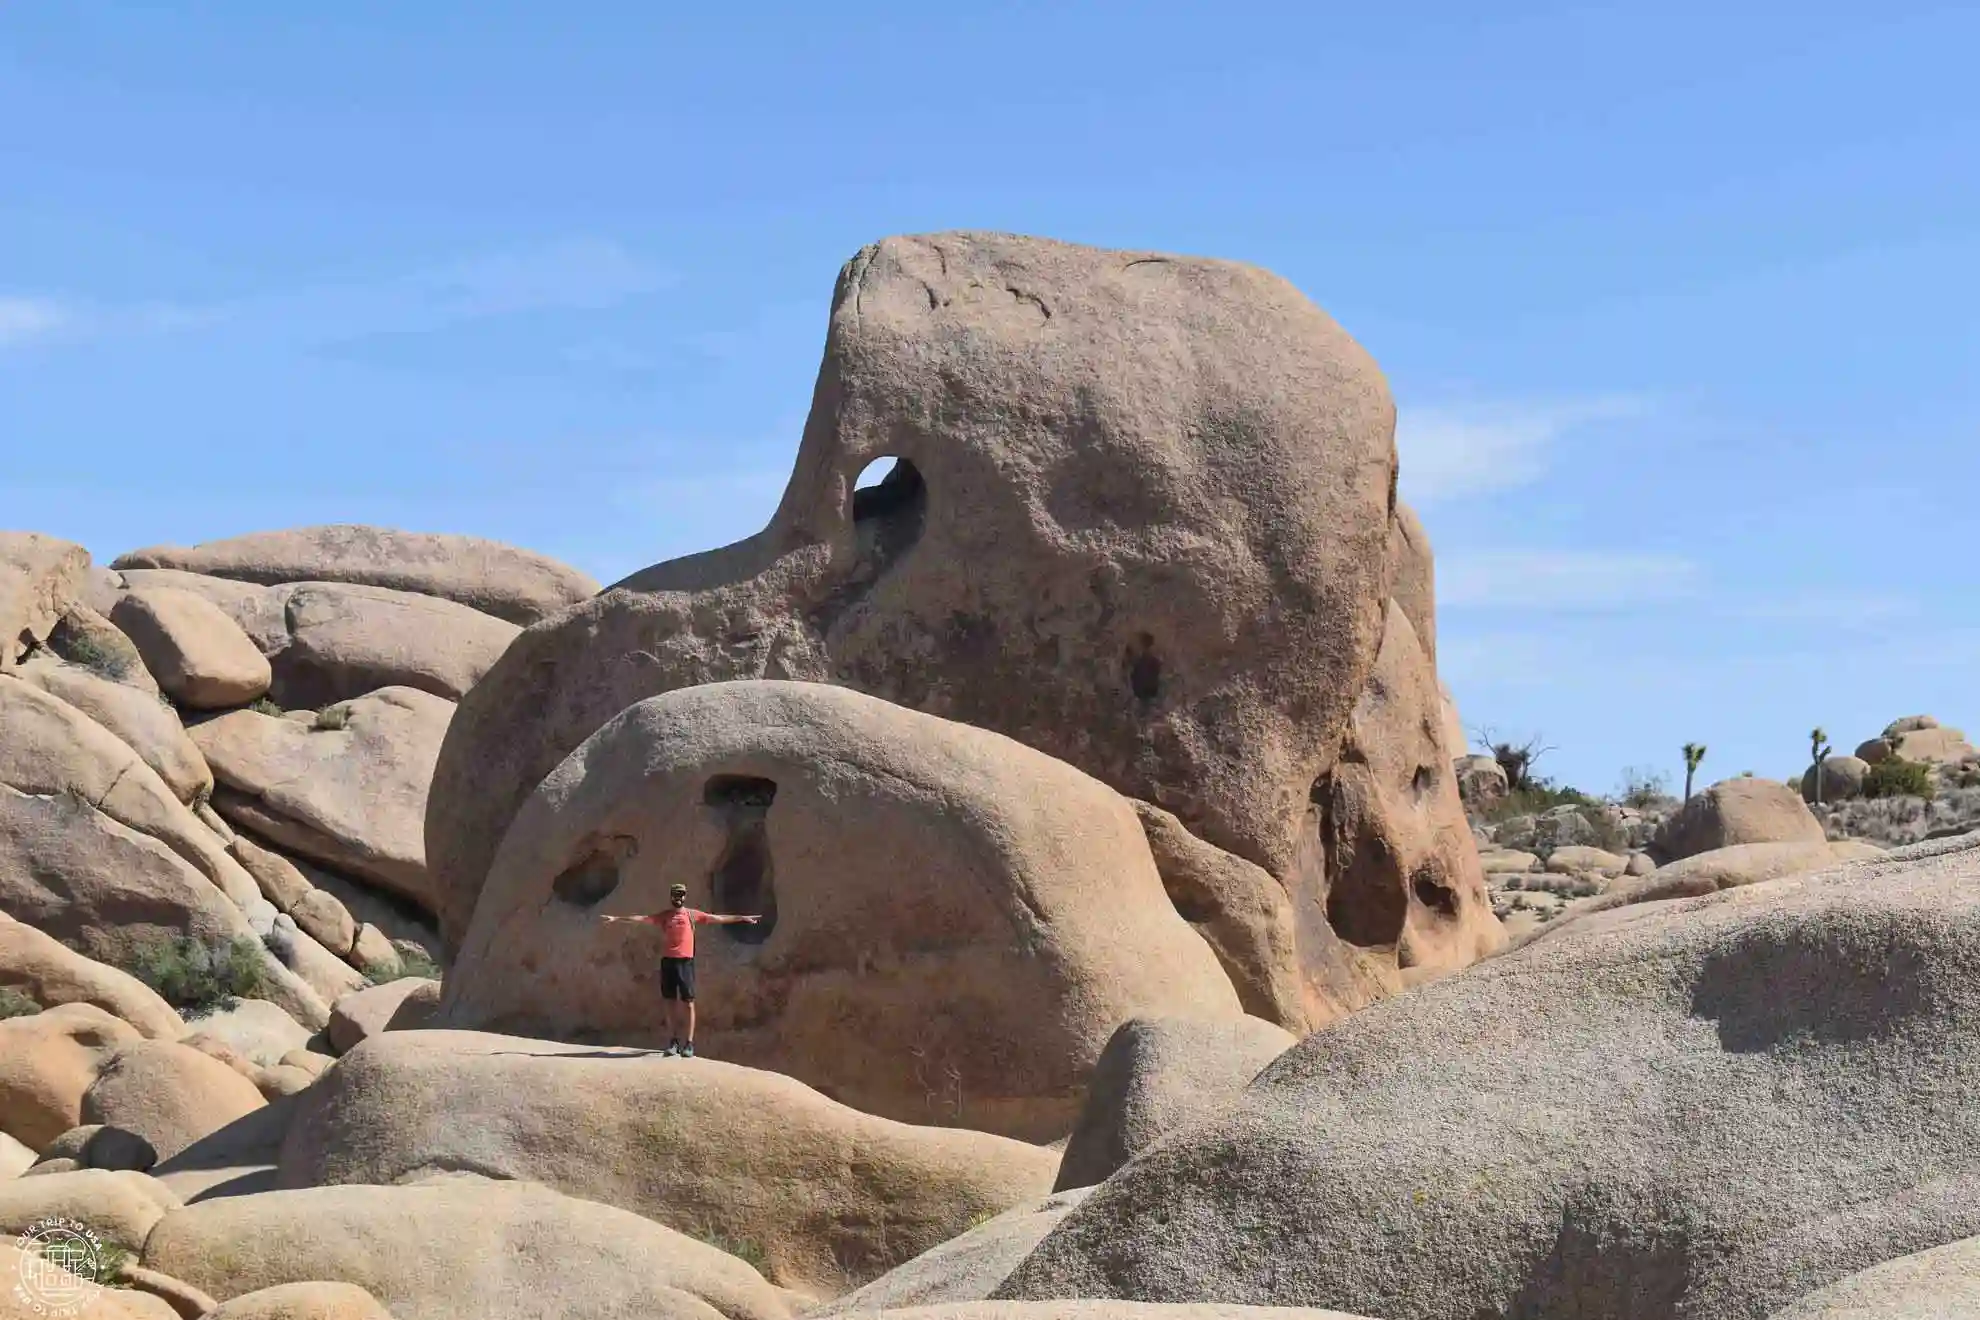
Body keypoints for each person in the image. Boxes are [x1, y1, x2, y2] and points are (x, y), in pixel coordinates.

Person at [602, 883, 760, 1057]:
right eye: (676, 895)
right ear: (671, 897)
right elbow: (642, 919)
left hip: (685, 963)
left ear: (685, 897)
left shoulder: (692, 915)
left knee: (689, 1003)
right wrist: (617, 918)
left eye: (681, 895)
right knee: (670, 1003)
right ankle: (673, 1042)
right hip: (668, 962)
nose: (679, 898)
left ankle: (689, 1044)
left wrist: (742, 918)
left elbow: (718, 918)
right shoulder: (665, 916)